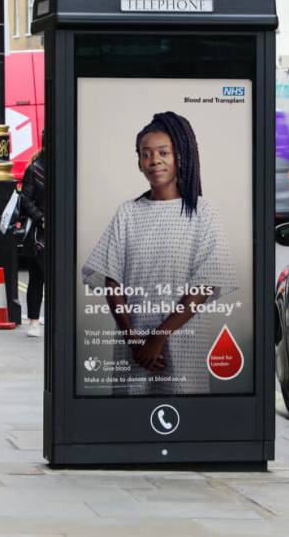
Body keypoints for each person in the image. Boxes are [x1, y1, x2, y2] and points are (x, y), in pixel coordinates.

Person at [82, 112, 236, 395]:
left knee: (183, 419)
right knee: (131, 423)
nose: (154, 161)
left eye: (163, 153)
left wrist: (159, 337)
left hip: (183, 343)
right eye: (146, 154)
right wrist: (135, 341)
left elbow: (204, 285)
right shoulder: (128, 213)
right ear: (138, 161)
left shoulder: (202, 213)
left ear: (181, 156)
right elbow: (111, 281)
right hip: (134, 345)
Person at [18, 134, 46, 337]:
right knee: (36, 278)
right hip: (39, 233)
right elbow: (25, 201)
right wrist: (42, 218)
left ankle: (51, 318)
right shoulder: (35, 169)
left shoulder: (65, 166)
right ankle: (34, 322)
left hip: (58, 233)